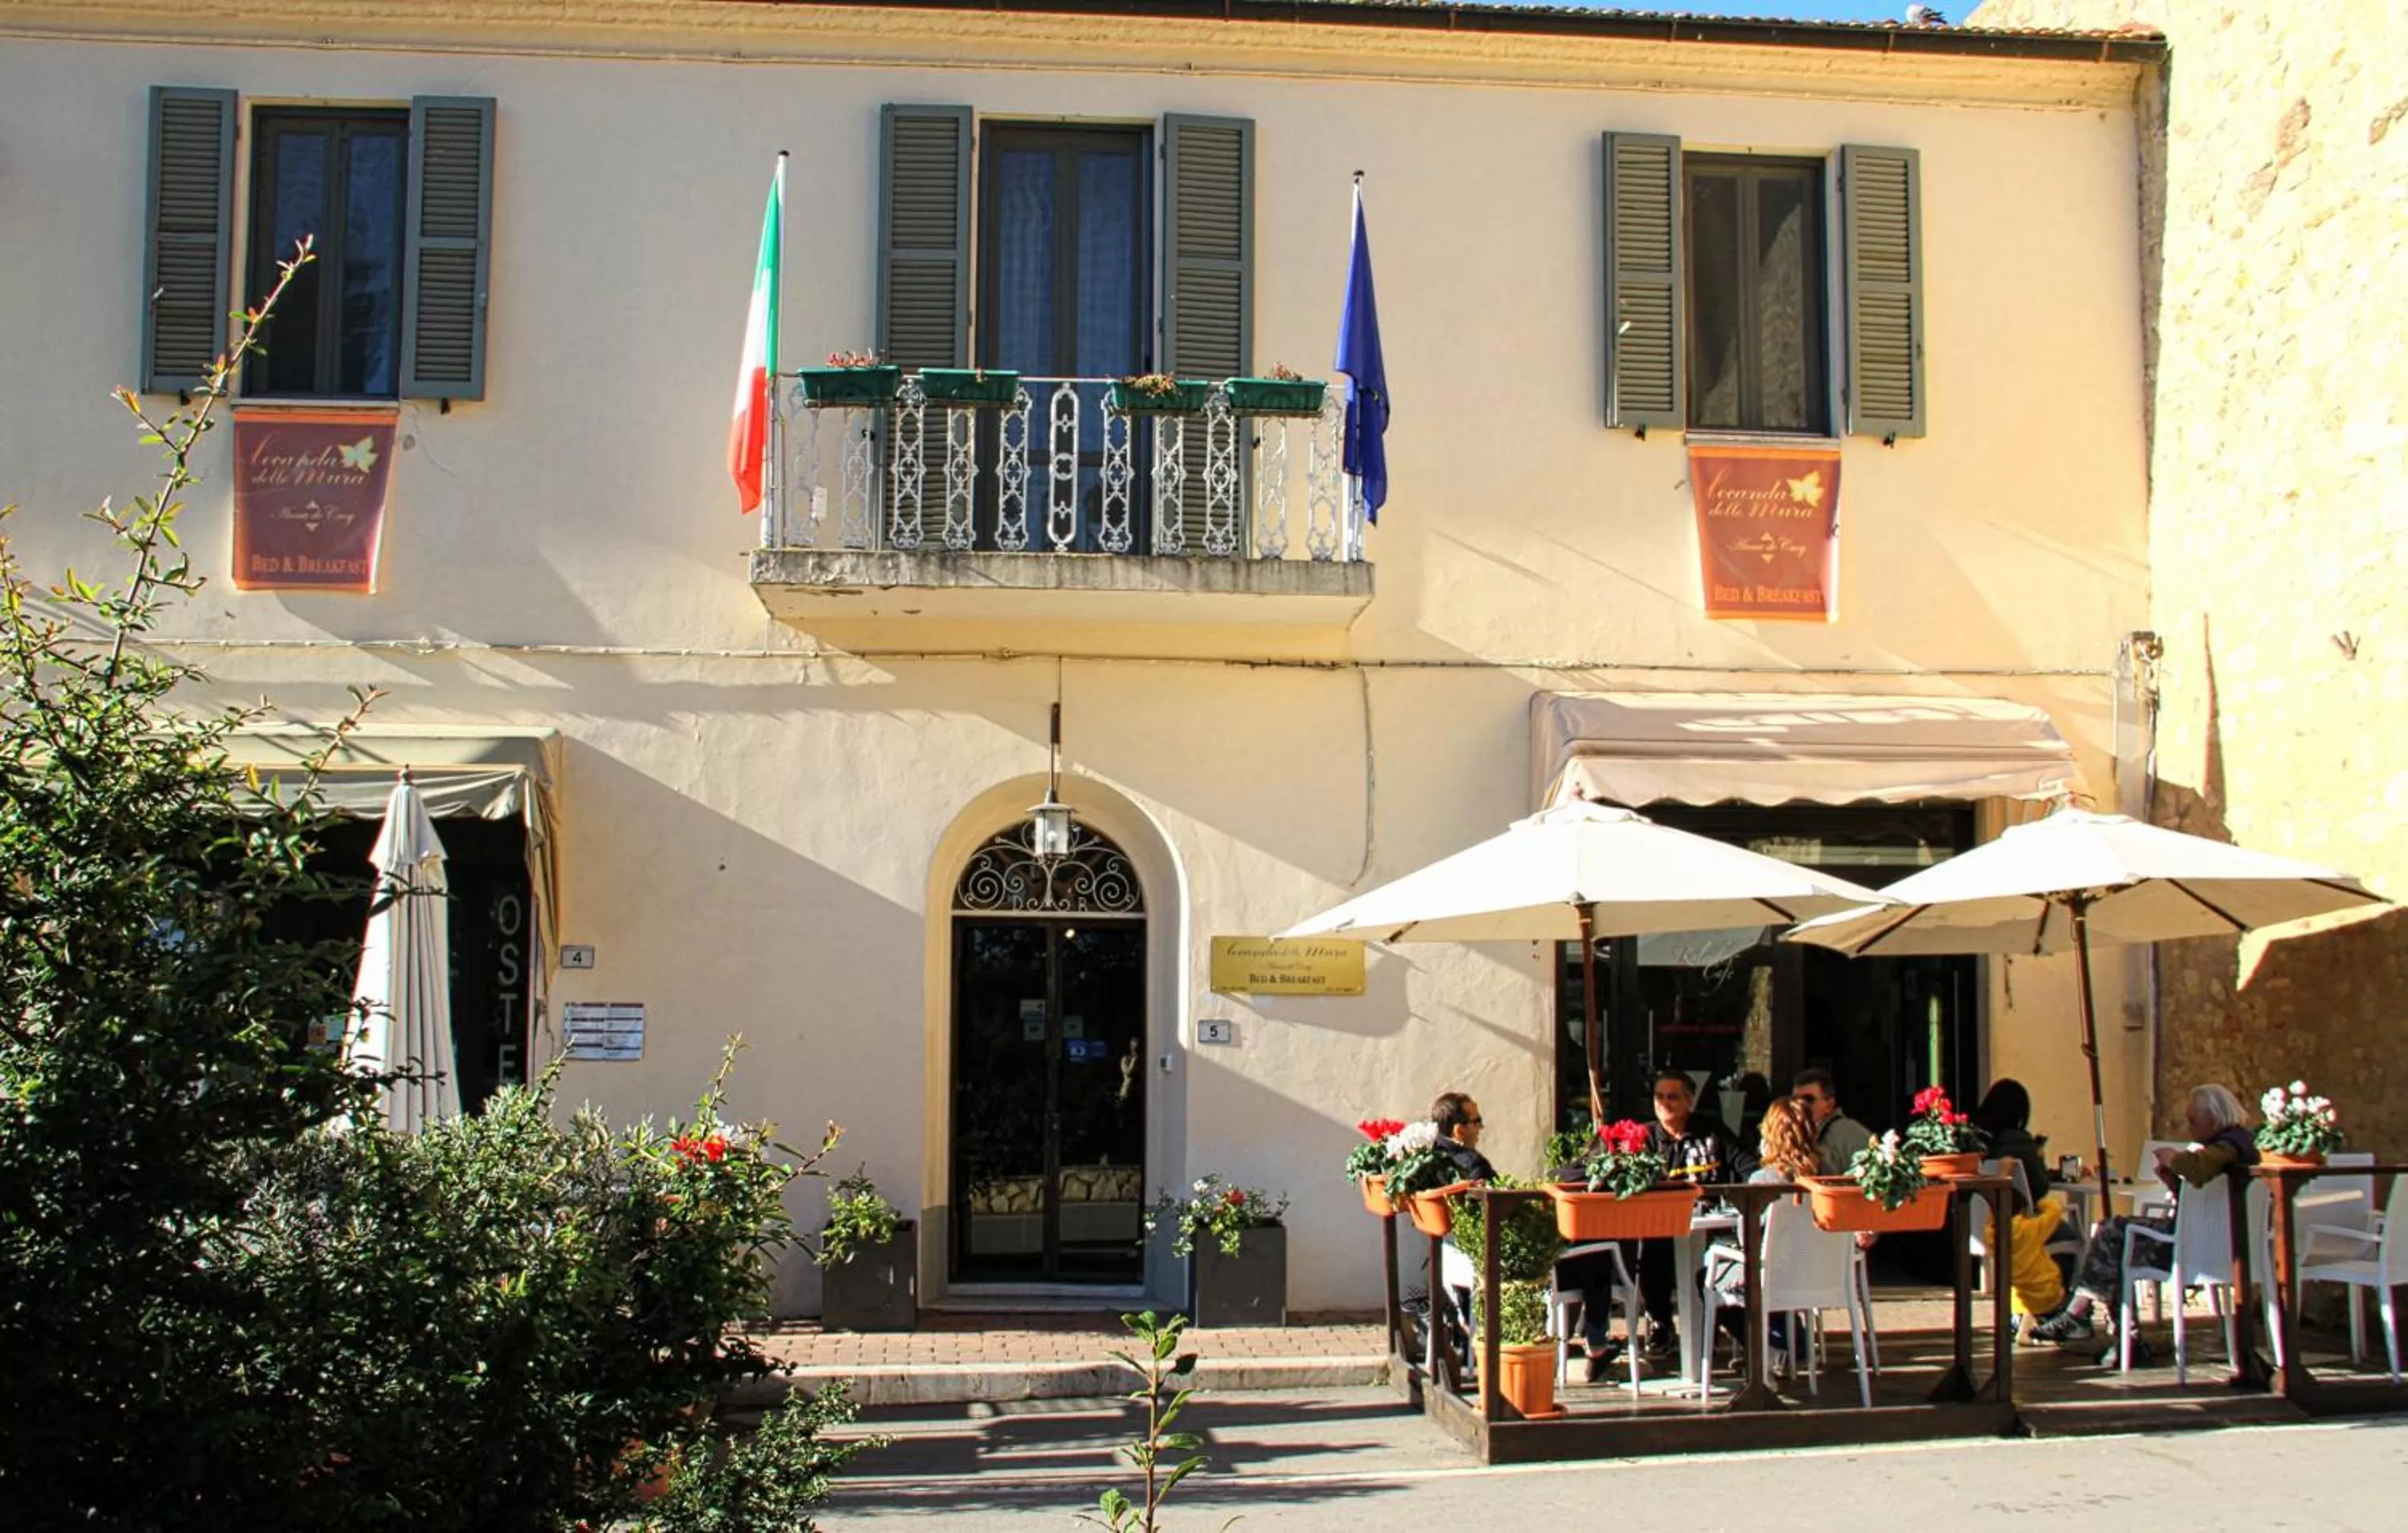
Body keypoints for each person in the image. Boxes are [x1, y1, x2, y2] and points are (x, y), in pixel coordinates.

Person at [2028, 1083, 2259, 1354]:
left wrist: (2175, 1158)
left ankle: (2093, 1320)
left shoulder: (2228, 1148)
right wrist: (2173, 1183)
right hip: (2210, 1240)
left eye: (2193, 1121)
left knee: (2112, 1235)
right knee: (2113, 1239)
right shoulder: (2237, 1146)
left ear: (2213, 1118)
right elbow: (2203, 1203)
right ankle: (2107, 1328)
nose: (2190, 1127)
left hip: (2195, 1246)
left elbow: (2197, 1169)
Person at [1629, 1068, 1754, 1366]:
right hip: (1660, 1225)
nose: (1664, 1103)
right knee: (1651, 1253)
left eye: (1673, 1096)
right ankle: (1662, 1325)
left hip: (1711, 1227)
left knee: (1713, 1264)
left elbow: (1748, 1166)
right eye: (1659, 1096)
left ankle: (1712, 1330)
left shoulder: (1711, 1132)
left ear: (1689, 1100)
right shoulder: (1644, 1137)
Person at [1792, 1067, 1873, 1174]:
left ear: (1829, 1104)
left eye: (1808, 1099)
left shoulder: (1851, 1133)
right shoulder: (1793, 1133)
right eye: (1795, 1100)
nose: (1801, 1105)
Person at [1430, 1090, 1495, 1183]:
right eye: (1477, 1121)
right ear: (1459, 1131)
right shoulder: (1475, 1166)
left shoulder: (1427, 1162)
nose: (1481, 1127)